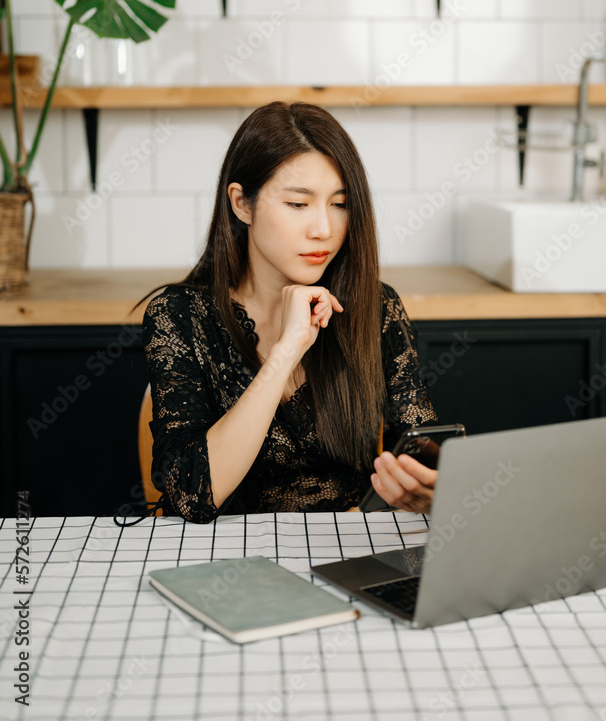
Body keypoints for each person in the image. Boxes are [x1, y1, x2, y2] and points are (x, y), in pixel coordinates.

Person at [140, 101, 439, 522]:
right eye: (298, 205)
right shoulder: (179, 316)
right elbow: (192, 496)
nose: (324, 229)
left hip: (343, 557)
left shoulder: (375, 307)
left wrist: (426, 489)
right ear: (242, 204)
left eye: (340, 204)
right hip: (220, 565)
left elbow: (419, 446)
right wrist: (287, 349)